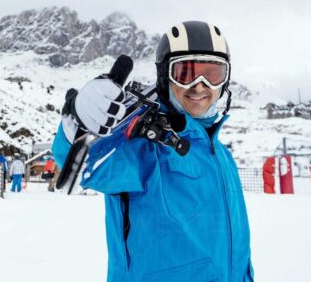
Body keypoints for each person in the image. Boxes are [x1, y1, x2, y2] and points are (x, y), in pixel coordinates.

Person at [52, 21, 253, 282]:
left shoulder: (222, 156)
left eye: (212, 74)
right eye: (185, 73)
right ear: (164, 76)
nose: (199, 85)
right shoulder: (144, 145)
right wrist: (78, 127)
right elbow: (88, 164)